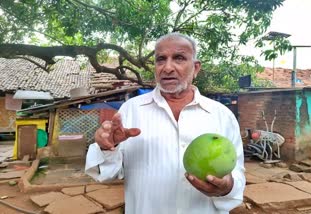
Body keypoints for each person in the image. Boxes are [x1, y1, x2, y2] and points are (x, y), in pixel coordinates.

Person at [85, 32, 245, 214]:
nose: (167, 67)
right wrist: (107, 147)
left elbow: (237, 173)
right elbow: (108, 174)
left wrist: (227, 187)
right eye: (161, 59)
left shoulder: (222, 115)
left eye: (179, 58)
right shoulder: (131, 110)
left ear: (196, 67)